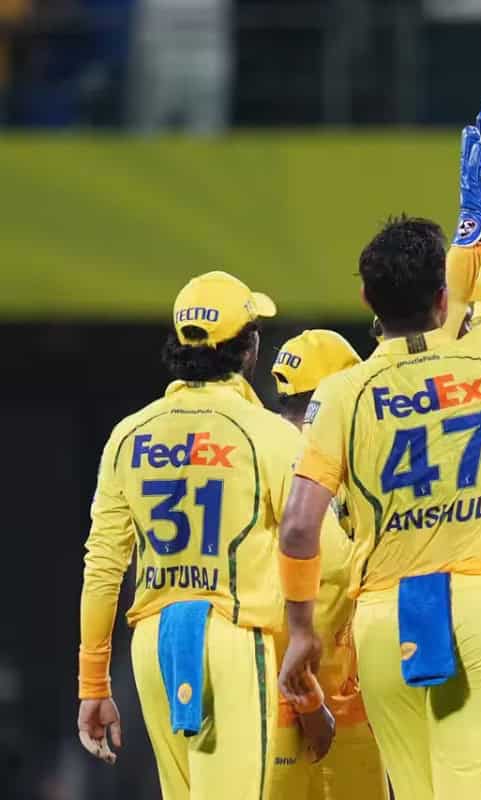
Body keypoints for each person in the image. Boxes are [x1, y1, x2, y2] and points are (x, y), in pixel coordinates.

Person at [275, 120, 481, 799]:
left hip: (384, 622)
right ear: (442, 300)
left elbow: (298, 526)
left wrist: (301, 631)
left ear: (367, 303)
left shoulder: (340, 394)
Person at [77, 271, 294, 798]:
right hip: (234, 638)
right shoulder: (269, 434)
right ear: (249, 348)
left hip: (153, 647)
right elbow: (319, 547)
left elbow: (103, 566)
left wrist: (93, 682)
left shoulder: (129, 435)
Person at [268, 329, 388, 800]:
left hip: (281, 696)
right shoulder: (318, 468)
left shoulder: (264, 450)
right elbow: (330, 572)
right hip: (322, 702)